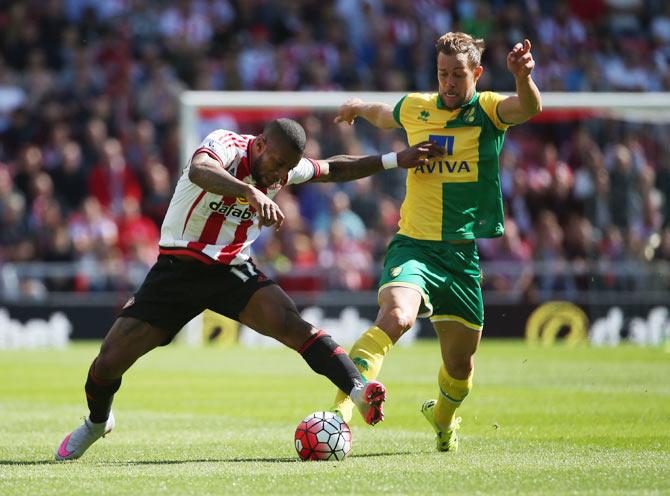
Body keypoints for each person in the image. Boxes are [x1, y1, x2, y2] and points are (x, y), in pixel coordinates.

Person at [54, 118, 442, 461]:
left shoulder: (283, 169)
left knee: (291, 323)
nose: (278, 176)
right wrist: (249, 191)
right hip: (177, 271)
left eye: (287, 170)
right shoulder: (225, 143)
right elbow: (199, 170)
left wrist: (393, 159)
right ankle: (96, 423)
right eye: (276, 164)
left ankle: (359, 390)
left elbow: (333, 169)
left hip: (230, 268)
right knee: (108, 362)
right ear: (259, 144)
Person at [330, 32, 542, 451]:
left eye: (457, 75)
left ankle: (442, 418)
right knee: (396, 316)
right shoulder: (417, 107)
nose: (448, 83)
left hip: (460, 257)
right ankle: (340, 412)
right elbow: (382, 112)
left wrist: (523, 78)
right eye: (442, 74)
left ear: (477, 74)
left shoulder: (487, 110)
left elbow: (529, 107)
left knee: (460, 366)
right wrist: (356, 107)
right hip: (414, 245)